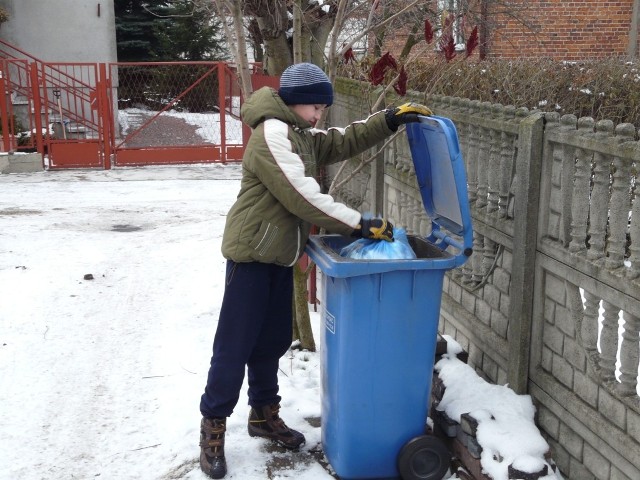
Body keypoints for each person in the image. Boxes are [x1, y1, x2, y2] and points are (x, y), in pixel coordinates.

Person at [198, 62, 432, 479]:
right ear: (292, 100)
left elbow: (340, 142)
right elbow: (301, 196)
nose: (320, 114)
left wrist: (388, 121)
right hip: (251, 254)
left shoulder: (299, 134)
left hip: (278, 255)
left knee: (270, 341)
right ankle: (212, 427)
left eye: (324, 107)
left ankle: (263, 414)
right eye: (315, 106)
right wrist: (358, 223)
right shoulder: (273, 132)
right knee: (233, 347)